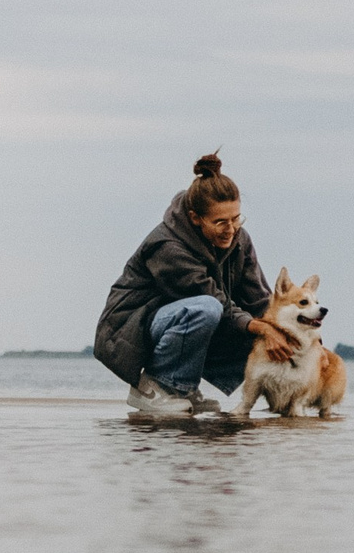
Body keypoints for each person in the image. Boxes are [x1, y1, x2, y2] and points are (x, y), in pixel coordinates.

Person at [95, 152, 301, 418]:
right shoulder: (167, 246)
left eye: (236, 219)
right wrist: (263, 328)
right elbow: (214, 301)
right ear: (195, 218)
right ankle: (154, 387)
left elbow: (259, 301)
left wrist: (298, 336)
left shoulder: (240, 239)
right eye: (220, 222)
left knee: (263, 328)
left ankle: (182, 389)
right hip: (132, 329)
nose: (231, 229)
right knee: (208, 309)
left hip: (189, 319)